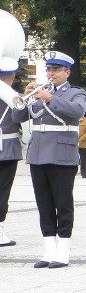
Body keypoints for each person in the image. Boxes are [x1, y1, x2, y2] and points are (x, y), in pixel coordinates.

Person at [12, 51, 86, 268]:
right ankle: (49, 250)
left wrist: (51, 99)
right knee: (44, 204)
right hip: (38, 154)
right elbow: (18, 118)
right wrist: (23, 101)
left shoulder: (75, 92)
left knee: (62, 204)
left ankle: (63, 251)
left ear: (67, 72)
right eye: (49, 69)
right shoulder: (39, 92)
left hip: (62, 155)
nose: (51, 73)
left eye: (56, 70)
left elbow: (77, 112)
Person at [0, 57, 23, 247]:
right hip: (7, 151)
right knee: (3, 192)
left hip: (7, 148)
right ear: (13, 76)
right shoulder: (17, 97)